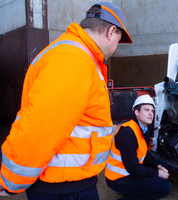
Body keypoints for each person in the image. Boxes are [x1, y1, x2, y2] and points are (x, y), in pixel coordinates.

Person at [0, 2, 132, 200]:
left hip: (69, 182)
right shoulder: (74, 59)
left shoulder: (77, 56)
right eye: (118, 40)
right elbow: (41, 126)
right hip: (62, 188)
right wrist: (11, 180)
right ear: (111, 31)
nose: (115, 49)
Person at [105, 94, 172, 200]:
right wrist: (156, 173)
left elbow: (144, 153)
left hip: (129, 171)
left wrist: (158, 165)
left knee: (164, 165)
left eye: (152, 111)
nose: (151, 114)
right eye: (146, 110)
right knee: (165, 187)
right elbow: (132, 167)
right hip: (118, 179)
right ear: (136, 112)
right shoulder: (127, 132)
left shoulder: (143, 128)